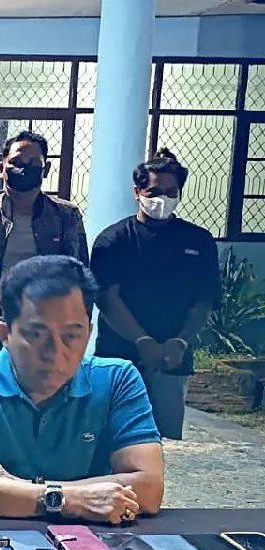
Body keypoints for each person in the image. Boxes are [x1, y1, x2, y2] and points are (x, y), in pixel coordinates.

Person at [0, 255, 164, 523]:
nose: (55, 353)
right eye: (36, 334)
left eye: (71, 336)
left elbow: (148, 489)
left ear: (89, 333)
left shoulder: (117, 380)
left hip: (89, 544)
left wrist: (17, 486)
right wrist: (69, 500)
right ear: (5, 334)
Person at [91, 149, 220, 440]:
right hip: (119, 359)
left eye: (171, 192)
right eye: (154, 192)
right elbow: (108, 299)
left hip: (173, 361)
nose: (162, 199)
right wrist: (142, 341)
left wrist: (180, 342)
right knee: (111, 438)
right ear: (137, 192)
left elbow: (205, 299)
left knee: (163, 443)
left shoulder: (199, 240)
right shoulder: (114, 240)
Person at [0, 130, 89, 360]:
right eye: (16, 162)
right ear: (1, 168)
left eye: (33, 163)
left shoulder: (67, 216)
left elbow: (77, 273)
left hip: (46, 330)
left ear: (46, 169)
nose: (24, 169)